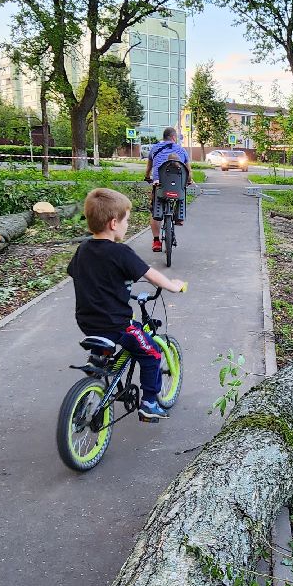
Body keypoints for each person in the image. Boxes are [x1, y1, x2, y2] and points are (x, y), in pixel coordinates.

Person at [67, 187, 186, 421]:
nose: (127, 225)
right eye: (126, 221)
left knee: (105, 343)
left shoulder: (83, 249)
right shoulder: (120, 252)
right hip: (117, 325)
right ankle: (149, 403)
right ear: (113, 223)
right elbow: (150, 274)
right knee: (151, 353)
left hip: (87, 322)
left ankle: (97, 364)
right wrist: (173, 286)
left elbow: (77, 273)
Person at [143, 126, 192, 254]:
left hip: (160, 184)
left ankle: (156, 241)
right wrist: (189, 181)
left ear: (164, 137)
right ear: (174, 137)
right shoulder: (181, 150)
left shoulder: (154, 148)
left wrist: (147, 177)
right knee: (182, 192)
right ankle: (179, 217)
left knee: (155, 209)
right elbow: (188, 171)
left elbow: (149, 168)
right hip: (177, 185)